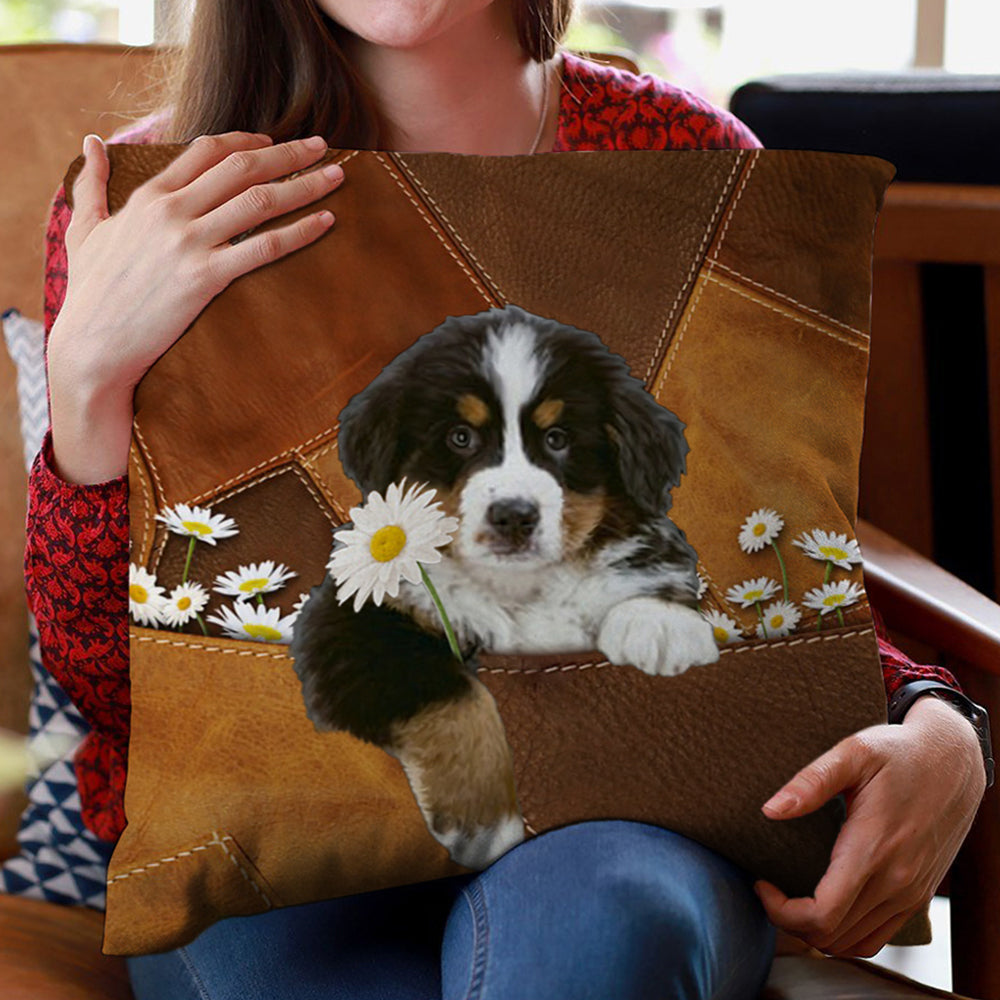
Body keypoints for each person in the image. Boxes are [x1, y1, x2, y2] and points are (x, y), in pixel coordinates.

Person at [24, 1, 988, 997]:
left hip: (622, 823)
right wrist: (89, 382)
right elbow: (108, 681)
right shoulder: (156, 204)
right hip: (271, 823)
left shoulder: (689, 166)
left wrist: (934, 713)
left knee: (601, 922)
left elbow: (754, 559)